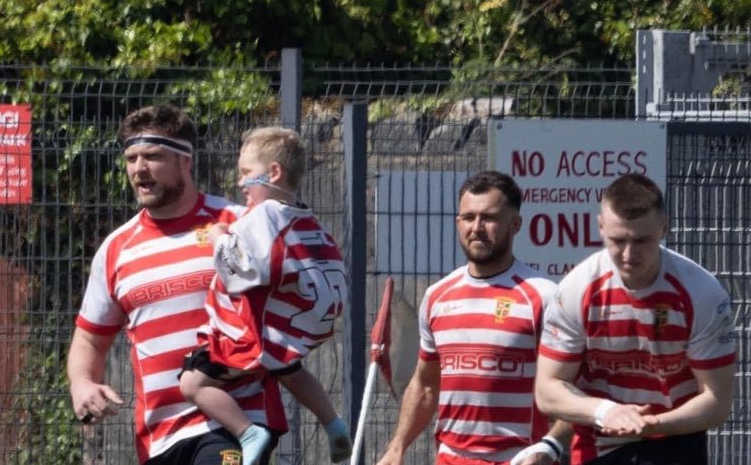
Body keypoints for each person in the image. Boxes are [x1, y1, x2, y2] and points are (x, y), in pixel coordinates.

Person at [68, 105, 286, 465]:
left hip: (234, 421)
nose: (139, 168)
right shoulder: (117, 249)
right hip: (159, 436)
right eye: (131, 158)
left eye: (153, 156)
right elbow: (89, 339)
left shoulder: (238, 223)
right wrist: (82, 383)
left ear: (186, 161)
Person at [536, 173, 737, 464]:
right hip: (599, 441)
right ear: (601, 227)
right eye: (618, 240)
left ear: (664, 228)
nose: (629, 254)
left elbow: (717, 402)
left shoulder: (702, 292)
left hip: (677, 438)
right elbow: (548, 390)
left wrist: (649, 424)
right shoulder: (577, 289)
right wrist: (606, 412)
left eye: (642, 240)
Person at [178, 126, 350, 465]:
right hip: (283, 336)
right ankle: (333, 422)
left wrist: (218, 237)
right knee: (290, 370)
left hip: (250, 336)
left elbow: (238, 268)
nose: (240, 183)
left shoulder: (264, 214)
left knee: (192, 383)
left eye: (246, 173)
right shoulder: (306, 218)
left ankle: (247, 432)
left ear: (274, 172)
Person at [375, 171, 571, 465]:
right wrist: (397, 445)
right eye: (468, 217)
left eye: (489, 218)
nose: (477, 228)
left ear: (515, 224)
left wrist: (549, 447)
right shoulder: (438, 296)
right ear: (458, 223)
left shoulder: (543, 297)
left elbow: (577, 388)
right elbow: (427, 384)